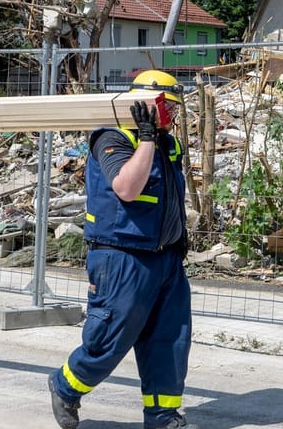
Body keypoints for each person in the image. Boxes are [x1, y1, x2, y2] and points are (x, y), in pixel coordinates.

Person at [49, 69, 195, 429]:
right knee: (110, 336)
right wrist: (145, 138)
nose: (172, 115)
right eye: (167, 106)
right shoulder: (111, 137)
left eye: (175, 108)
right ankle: (66, 386)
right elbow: (127, 188)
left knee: (170, 339)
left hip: (166, 257)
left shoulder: (167, 143)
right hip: (122, 256)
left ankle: (162, 417)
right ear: (143, 104)